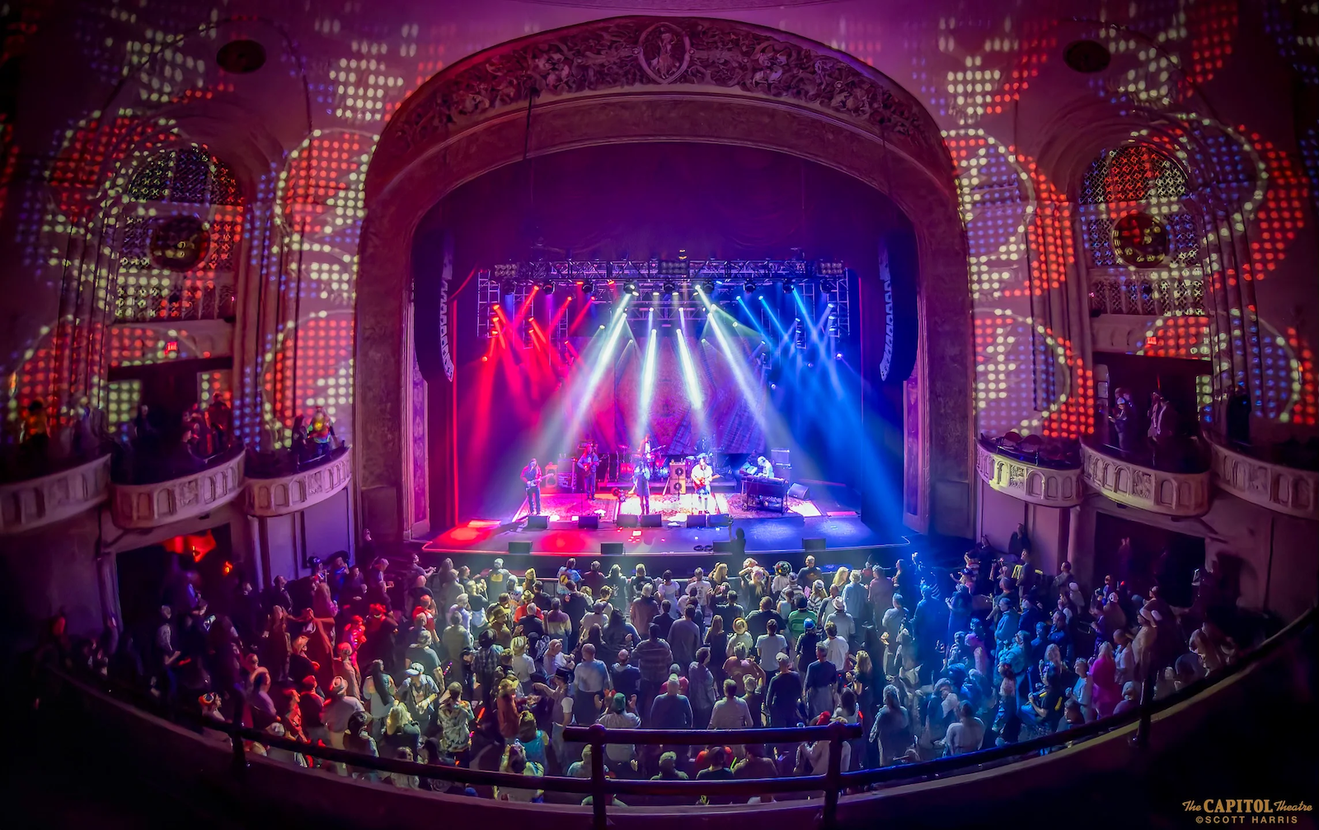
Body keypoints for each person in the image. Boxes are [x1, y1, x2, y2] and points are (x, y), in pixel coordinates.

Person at [634, 623, 674, 717]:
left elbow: (633, 655)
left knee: (642, 698)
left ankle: (641, 717)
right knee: (659, 698)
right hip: (660, 676)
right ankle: (659, 716)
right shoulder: (665, 646)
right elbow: (670, 660)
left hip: (645, 676)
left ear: (649, 633)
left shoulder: (642, 645)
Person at [597, 692, 641, 771]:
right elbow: (639, 722)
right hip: (628, 756)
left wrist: (605, 711)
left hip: (611, 755)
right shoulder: (631, 718)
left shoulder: (606, 719)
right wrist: (633, 708)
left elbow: (596, 725)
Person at [870, 684, 912, 766]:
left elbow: (872, 736)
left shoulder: (883, 714)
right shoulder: (904, 711)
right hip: (902, 752)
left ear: (885, 698)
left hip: (888, 755)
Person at [764, 653, 802, 729]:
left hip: (779, 709)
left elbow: (769, 699)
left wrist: (771, 711)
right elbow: (800, 692)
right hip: (792, 707)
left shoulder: (775, 680)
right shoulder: (795, 676)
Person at [803, 642, 838, 721]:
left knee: (816, 717)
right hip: (827, 695)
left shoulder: (812, 667)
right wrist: (834, 695)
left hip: (816, 694)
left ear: (819, 652)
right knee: (827, 716)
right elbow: (835, 682)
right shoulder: (832, 666)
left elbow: (807, 683)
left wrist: (804, 696)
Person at [688, 647, 718, 729]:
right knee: (703, 726)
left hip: (693, 700)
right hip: (704, 705)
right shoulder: (708, 675)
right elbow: (709, 692)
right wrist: (714, 701)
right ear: (706, 658)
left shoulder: (692, 666)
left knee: (695, 724)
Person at [669, 605, 701, 672]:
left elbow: (669, 639)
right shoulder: (695, 628)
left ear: (685, 612)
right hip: (688, 658)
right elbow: (697, 644)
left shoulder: (675, 623)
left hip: (675, 656)